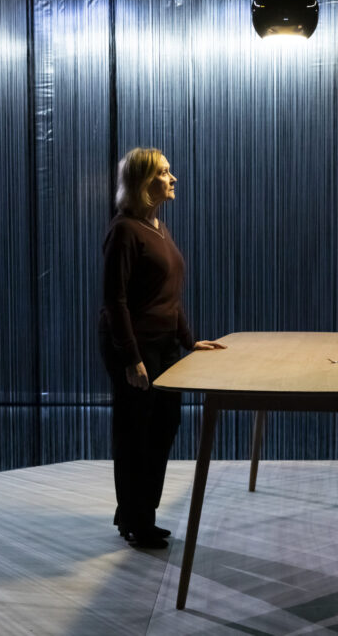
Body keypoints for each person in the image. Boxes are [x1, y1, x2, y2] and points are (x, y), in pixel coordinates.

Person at [98, 147, 225, 550]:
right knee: (135, 431)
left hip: (164, 345)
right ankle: (137, 520)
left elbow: (168, 296)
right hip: (136, 347)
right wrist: (131, 358)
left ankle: (137, 512)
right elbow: (115, 301)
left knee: (164, 425)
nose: (173, 178)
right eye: (164, 172)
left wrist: (188, 340)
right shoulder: (125, 230)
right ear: (142, 181)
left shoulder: (158, 227)